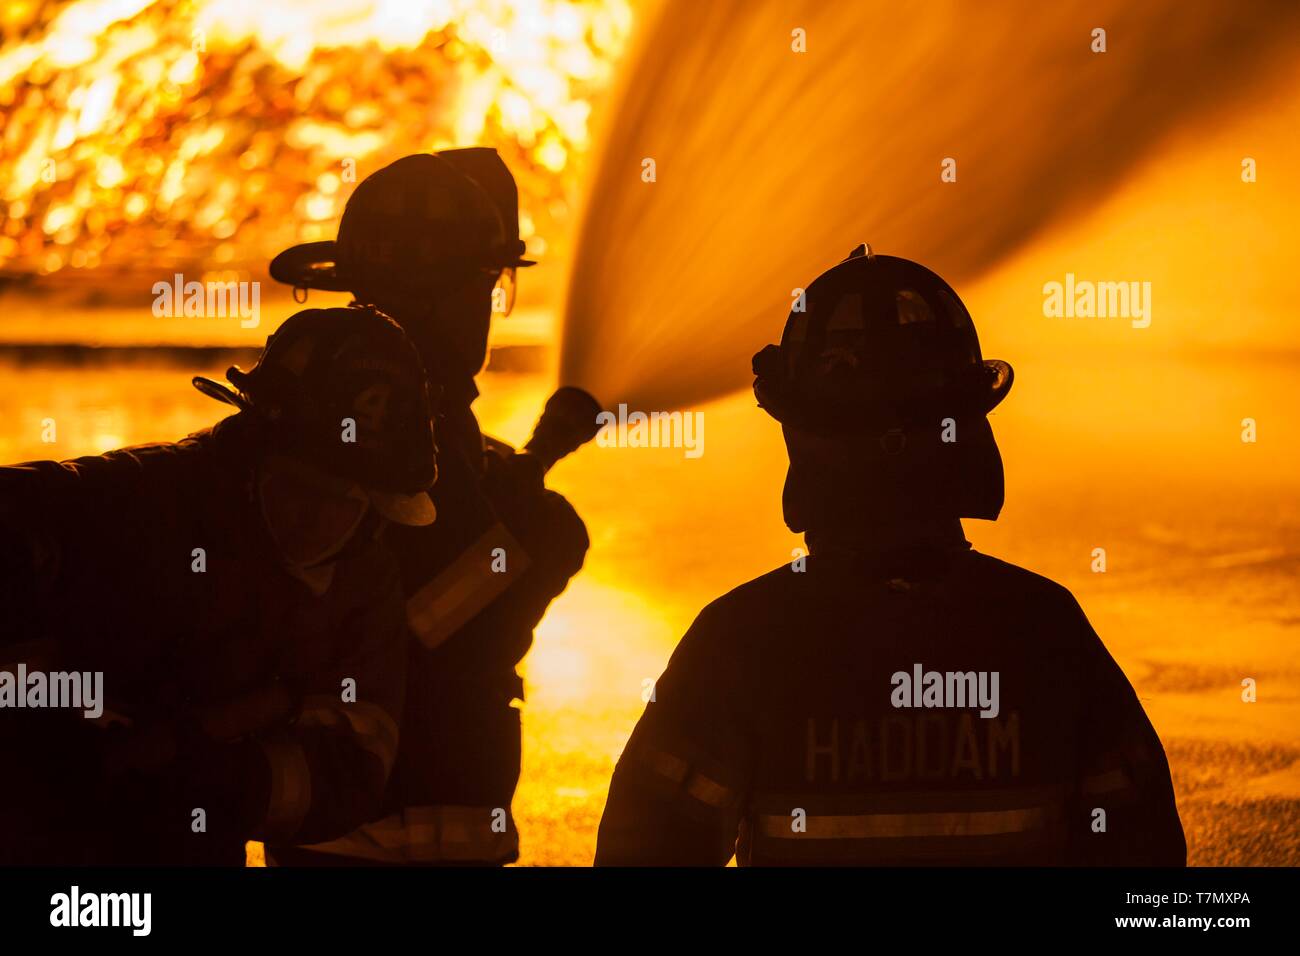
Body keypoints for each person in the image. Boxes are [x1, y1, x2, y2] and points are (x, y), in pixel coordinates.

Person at [595, 245, 1186, 866]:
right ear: (966, 435)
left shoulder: (742, 641)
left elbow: (646, 852)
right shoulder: (1045, 629)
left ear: (806, 443)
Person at [0, 304, 437, 865]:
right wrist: (45, 712)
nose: (312, 521)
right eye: (297, 489)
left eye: (340, 504)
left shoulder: (360, 584)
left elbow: (351, 766)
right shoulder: (144, 500)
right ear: (253, 459)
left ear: (375, 509)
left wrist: (212, 776)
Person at [266, 150, 592, 865]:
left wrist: (508, 486)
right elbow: (445, 617)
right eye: (486, 286)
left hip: (347, 825)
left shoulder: (342, 398)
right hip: (390, 828)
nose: (488, 306)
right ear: (451, 296)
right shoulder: (403, 416)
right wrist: (539, 532)